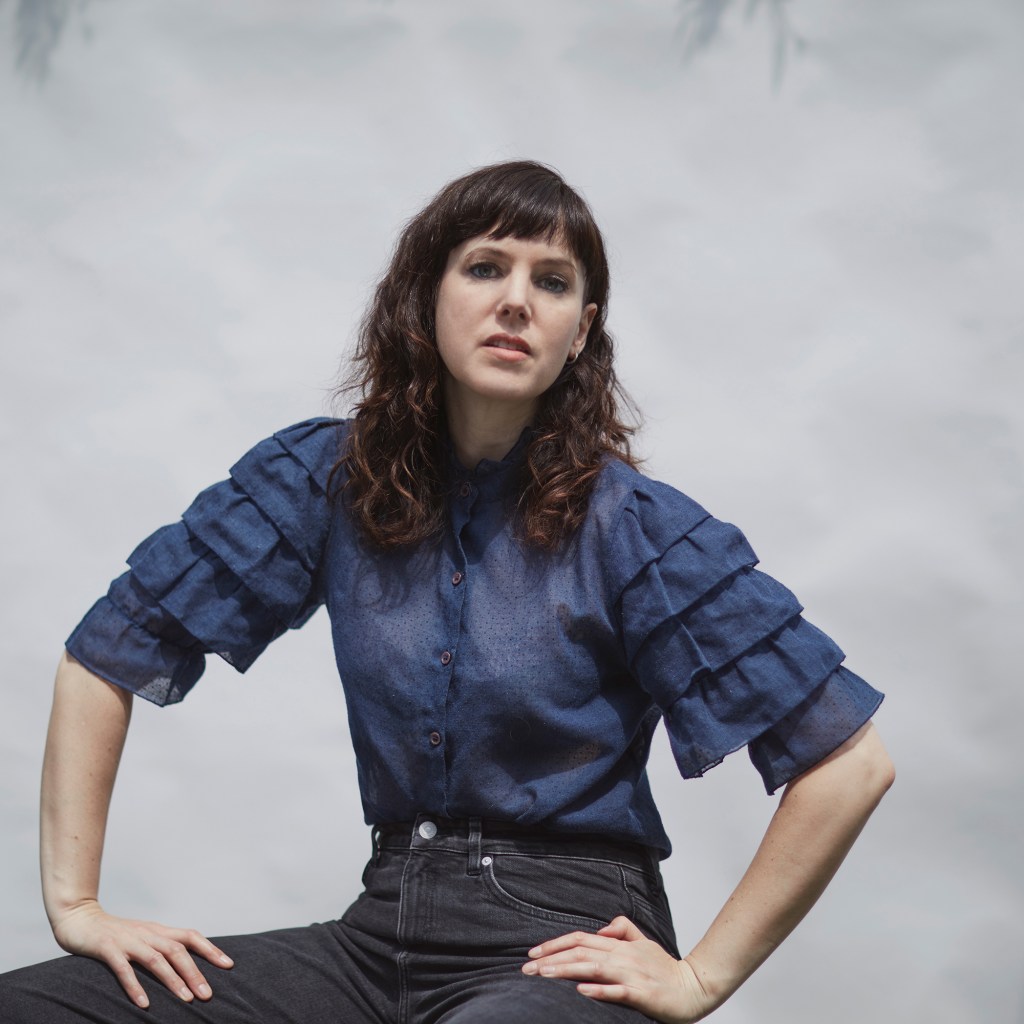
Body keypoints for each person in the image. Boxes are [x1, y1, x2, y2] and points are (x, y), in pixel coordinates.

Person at [0, 160, 893, 1024]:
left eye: (552, 282)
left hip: (562, 948)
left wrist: (701, 977)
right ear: (426, 295)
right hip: (378, 935)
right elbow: (111, 648)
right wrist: (77, 905)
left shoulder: (637, 529)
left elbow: (849, 765)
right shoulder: (325, 479)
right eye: (485, 267)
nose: (517, 300)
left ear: (581, 330)